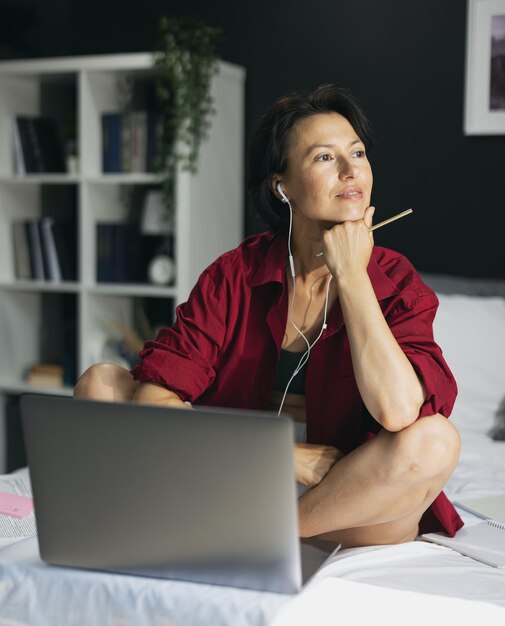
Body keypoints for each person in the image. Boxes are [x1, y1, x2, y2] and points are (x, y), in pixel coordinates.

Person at [75, 84, 463, 548]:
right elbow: (153, 406)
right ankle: (239, 522)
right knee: (100, 383)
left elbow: (399, 411)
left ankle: (256, 532)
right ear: (282, 186)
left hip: (343, 498)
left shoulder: (395, 279)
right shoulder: (234, 274)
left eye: (357, 153)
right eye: (324, 157)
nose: (350, 169)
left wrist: (353, 277)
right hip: (237, 471)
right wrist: (284, 458)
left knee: (435, 442)